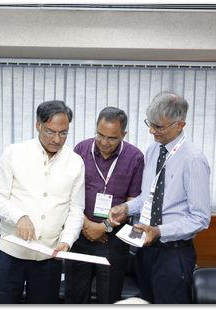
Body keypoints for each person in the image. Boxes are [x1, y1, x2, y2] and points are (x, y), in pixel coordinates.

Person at [109, 91, 211, 304]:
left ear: (180, 125)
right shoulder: (153, 150)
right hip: (144, 250)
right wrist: (125, 208)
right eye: (150, 124)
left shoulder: (193, 160)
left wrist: (159, 231)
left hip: (173, 254)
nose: (152, 131)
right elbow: (147, 198)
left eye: (159, 126)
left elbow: (201, 218)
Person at [0, 100, 85, 304]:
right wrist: (19, 216)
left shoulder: (75, 162)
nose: (57, 139)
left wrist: (67, 240)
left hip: (49, 257)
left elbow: (76, 209)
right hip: (10, 253)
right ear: (38, 125)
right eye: (50, 131)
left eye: (63, 133)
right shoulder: (14, 153)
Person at [64, 107, 144, 304]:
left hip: (114, 242)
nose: (104, 142)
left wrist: (103, 228)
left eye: (112, 138)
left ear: (123, 135)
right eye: (100, 135)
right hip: (80, 238)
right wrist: (87, 225)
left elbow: (133, 203)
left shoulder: (135, 157)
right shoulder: (81, 150)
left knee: (108, 298)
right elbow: (68, 194)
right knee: (75, 295)